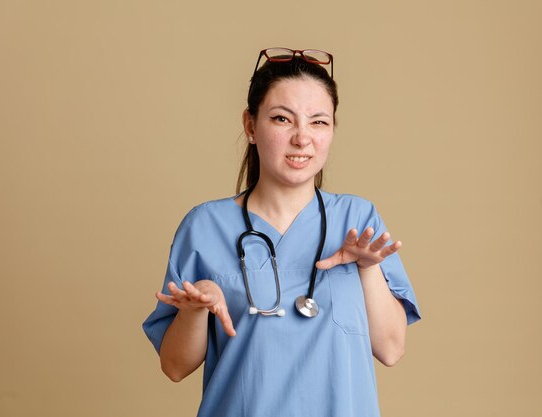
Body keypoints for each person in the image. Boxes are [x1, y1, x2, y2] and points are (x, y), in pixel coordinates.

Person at [143, 47, 421, 417]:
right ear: (250, 126)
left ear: (333, 129)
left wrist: (367, 268)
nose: (302, 138)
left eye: (319, 122)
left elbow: (390, 349)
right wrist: (198, 309)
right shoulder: (205, 227)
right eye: (282, 119)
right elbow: (175, 366)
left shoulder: (357, 218)